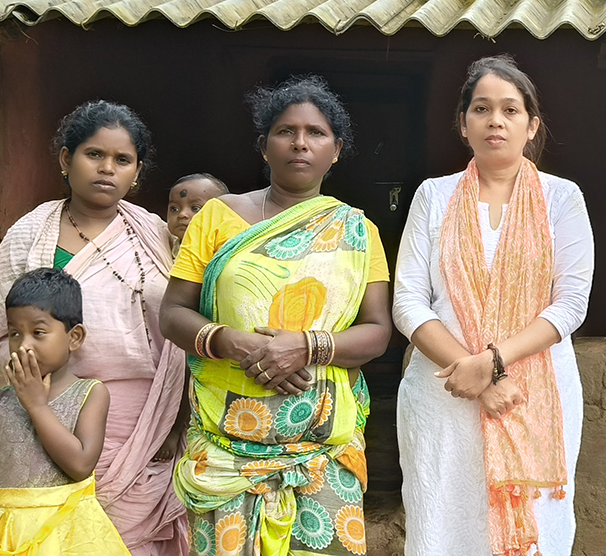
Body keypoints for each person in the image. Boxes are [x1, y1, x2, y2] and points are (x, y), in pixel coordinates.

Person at [160, 75, 393, 556]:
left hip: (323, 451)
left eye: (316, 133)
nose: (300, 143)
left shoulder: (358, 230)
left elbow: (377, 332)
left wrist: (305, 346)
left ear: (337, 149)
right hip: (224, 451)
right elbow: (172, 313)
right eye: (286, 131)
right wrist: (231, 342)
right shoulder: (217, 217)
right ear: (263, 146)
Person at [393, 55, 595, 556]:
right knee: (444, 523)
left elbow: (570, 305)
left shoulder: (561, 198)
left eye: (510, 110)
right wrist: (472, 373)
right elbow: (409, 302)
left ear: (532, 126)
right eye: (481, 109)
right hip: (444, 393)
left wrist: (492, 364)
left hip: (534, 392)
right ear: (464, 125)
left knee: (539, 530)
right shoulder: (433, 196)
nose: (495, 121)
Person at [0, 100, 188, 556]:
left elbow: (180, 337)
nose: (107, 169)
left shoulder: (155, 235)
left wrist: (177, 420)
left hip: (147, 421)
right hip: (38, 407)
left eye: (122, 160)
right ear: (67, 160)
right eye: (93, 155)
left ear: (137, 171)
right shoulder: (29, 234)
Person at [0, 268, 130, 556]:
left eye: (38, 333)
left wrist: (36, 405)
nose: (24, 346)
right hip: (8, 533)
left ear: (74, 338)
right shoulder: (4, 400)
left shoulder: (90, 393)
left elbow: (81, 464)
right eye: (14, 333)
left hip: (66, 535)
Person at [166, 173, 229, 256]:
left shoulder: (223, 250)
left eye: (195, 208)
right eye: (174, 209)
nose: (182, 214)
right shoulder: (166, 249)